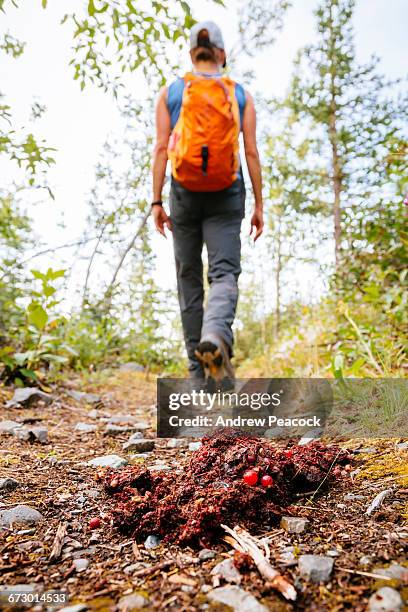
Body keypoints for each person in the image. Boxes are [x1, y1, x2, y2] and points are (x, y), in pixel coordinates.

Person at [152, 20, 263, 383]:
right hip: (227, 193)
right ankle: (215, 335)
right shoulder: (239, 93)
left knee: (188, 277)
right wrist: (259, 204)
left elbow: (160, 150)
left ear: (191, 53)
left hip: (183, 193)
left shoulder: (172, 92)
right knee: (224, 272)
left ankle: (197, 373)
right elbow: (250, 150)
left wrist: (156, 201)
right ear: (221, 53)